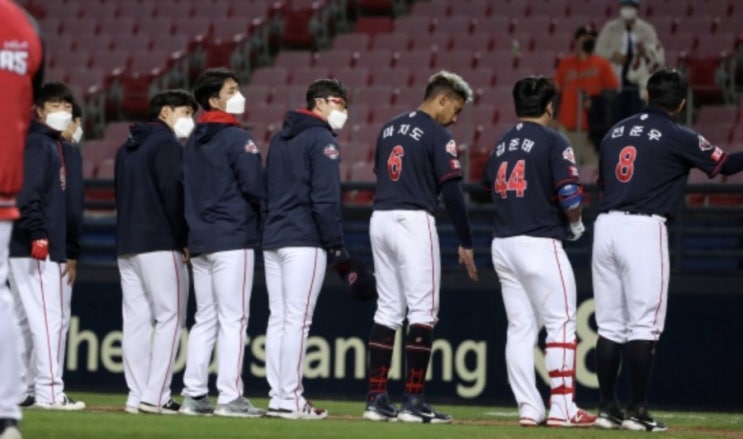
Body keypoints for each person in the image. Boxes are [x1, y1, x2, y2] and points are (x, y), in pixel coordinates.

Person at [592, 68, 743, 432]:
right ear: (680, 102)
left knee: (610, 326)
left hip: (606, 225)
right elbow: (723, 165)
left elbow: (602, 180)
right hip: (643, 228)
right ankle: (637, 410)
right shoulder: (677, 133)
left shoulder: (615, 131)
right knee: (644, 324)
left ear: (646, 94)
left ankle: (606, 408)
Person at [362, 70, 479, 424]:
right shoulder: (437, 134)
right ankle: (413, 401)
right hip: (413, 221)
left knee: (387, 310)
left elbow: (379, 172)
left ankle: (376, 399)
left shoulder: (388, 127)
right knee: (423, 312)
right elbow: (453, 192)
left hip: (380, 218)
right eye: (455, 109)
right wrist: (466, 240)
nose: (455, 118)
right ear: (441, 98)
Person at [481, 76, 596, 428]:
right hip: (539, 241)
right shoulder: (553, 139)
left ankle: (529, 408)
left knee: (519, 328)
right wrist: (575, 224)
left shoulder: (501, 142)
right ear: (549, 106)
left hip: (503, 243)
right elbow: (572, 198)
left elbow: (489, 185)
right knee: (561, 323)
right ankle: (562, 407)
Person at [262, 78, 350, 421]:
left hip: (274, 238)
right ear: (322, 102)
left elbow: (266, 189)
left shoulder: (279, 138)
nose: (344, 110)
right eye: (340, 103)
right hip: (304, 238)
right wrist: (336, 244)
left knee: (280, 320)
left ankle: (278, 396)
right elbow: (325, 198)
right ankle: (291, 399)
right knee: (297, 321)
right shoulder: (321, 139)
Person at [181, 68, 264, 418]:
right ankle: (230, 397)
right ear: (214, 100)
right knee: (234, 319)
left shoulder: (193, 139)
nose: (239, 93)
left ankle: (193, 394)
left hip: (200, 238)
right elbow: (255, 187)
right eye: (232, 90)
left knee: (205, 319)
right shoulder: (235, 138)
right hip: (232, 236)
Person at [115, 90, 197, 415]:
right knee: (171, 317)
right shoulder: (166, 145)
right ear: (165, 112)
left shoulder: (125, 148)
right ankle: (157, 394)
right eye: (185, 111)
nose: (190, 118)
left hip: (127, 244)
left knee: (135, 321)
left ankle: (137, 395)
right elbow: (174, 195)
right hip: (161, 242)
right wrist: (184, 238)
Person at [8, 81, 85, 412]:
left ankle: (23, 388)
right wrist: (40, 233)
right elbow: (27, 197)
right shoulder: (39, 144)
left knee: (28, 320)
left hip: (31, 244)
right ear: (39, 110)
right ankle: (50, 392)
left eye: (66, 107)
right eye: (54, 106)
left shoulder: (50, 144)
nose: (62, 112)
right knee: (48, 319)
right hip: (35, 244)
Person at [0, 0, 44, 436]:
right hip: (2, 181)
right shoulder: (25, 26)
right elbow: (29, 104)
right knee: (1, 300)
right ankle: (5, 413)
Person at [554, 25, 619, 168]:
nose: (588, 41)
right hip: (568, 125)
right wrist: (554, 119)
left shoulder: (602, 63)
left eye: (591, 38)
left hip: (592, 127)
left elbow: (612, 91)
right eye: (584, 38)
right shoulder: (566, 64)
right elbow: (556, 92)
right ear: (577, 41)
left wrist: (596, 101)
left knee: (594, 168)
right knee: (567, 167)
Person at [595, 0, 664, 123]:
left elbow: (656, 53)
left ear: (636, 8)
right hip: (616, 82)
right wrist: (613, 55)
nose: (627, 9)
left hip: (639, 82)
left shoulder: (646, 29)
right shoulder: (611, 28)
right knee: (616, 118)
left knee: (638, 117)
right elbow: (598, 50)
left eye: (630, 6)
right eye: (625, 6)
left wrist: (645, 52)